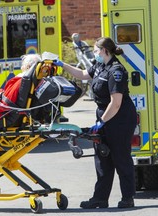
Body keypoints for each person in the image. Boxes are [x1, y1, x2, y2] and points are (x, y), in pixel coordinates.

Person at [56, 37, 137, 208]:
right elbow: (83, 74)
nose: (94, 54)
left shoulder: (116, 71)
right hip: (105, 114)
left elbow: (116, 103)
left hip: (120, 117)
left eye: (96, 50)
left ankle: (127, 198)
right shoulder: (100, 66)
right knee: (102, 157)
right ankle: (100, 198)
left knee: (121, 158)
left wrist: (101, 122)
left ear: (105, 51)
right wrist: (61, 64)